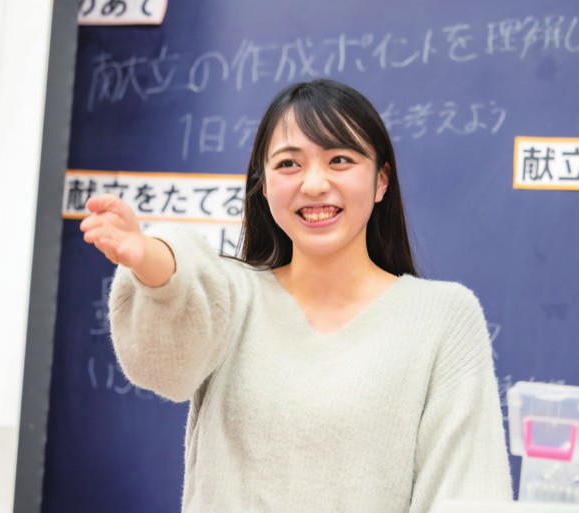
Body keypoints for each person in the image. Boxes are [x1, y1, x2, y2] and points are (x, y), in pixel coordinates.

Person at [80, 79, 512, 513]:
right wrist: (151, 262)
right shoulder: (234, 297)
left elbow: (467, 493)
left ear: (381, 181)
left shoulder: (443, 318)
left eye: (340, 160)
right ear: (265, 186)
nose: (315, 184)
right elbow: (170, 346)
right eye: (289, 164)